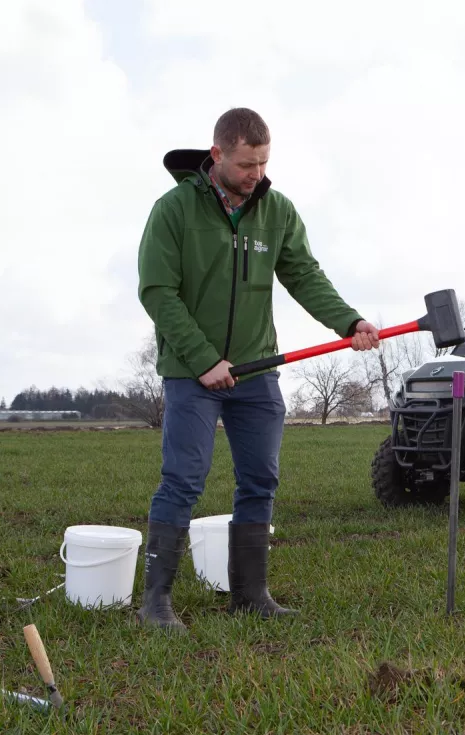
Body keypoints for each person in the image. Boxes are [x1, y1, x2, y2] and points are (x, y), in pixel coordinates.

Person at [135, 107, 379, 631]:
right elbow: (158, 292)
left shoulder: (278, 212)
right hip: (190, 374)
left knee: (261, 479)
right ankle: (155, 602)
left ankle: (249, 594)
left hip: (256, 370)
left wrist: (349, 321)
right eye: (247, 165)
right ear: (217, 154)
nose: (257, 175)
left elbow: (304, 275)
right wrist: (202, 361)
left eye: (264, 163)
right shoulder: (174, 210)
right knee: (183, 479)